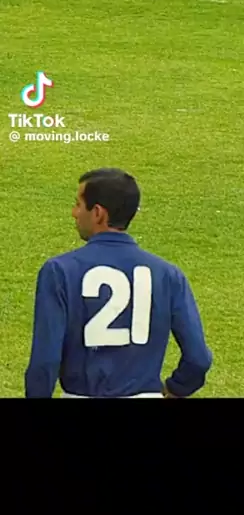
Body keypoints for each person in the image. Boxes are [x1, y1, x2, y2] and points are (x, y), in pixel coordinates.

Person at [24, 168, 212, 398]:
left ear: (98, 213)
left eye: (78, 204)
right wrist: (175, 388)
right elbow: (198, 359)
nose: (74, 213)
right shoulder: (168, 274)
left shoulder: (59, 270)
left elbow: (45, 361)